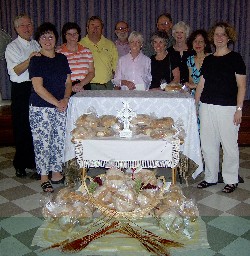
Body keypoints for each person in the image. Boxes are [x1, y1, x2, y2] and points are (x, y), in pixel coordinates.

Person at [195, 22, 246, 193]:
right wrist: (196, 104)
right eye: (216, 34)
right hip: (207, 106)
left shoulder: (236, 58)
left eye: (222, 34)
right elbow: (201, 83)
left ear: (228, 37)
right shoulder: (208, 59)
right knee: (208, 145)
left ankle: (231, 179)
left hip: (228, 108)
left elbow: (242, 86)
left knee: (229, 145)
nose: (219, 37)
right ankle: (210, 177)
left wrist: (239, 110)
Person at [28, 22, 72, 192]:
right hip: (41, 108)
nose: (47, 40)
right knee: (43, 143)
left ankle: (56, 173)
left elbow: (68, 82)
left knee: (58, 141)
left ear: (56, 39)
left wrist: (66, 99)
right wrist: (57, 103)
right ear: (39, 40)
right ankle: (44, 176)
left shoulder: (62, 58)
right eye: (44, 36)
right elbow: (38, 88)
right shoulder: (36, 60)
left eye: (51, 36)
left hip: (61, 106)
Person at [5, 14, 40, 178]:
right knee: (21, 127)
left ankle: (33, 162)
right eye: (23, 26)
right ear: (17, 29)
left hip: (36, 87)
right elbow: (16, 70)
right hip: (20, 89)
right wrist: (30, 58)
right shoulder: (12, 47)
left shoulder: (36, 43)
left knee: (34, 127)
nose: (27, 28)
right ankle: (20, 164)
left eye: (29, 25)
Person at [79, 16, 118, 90]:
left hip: (107, 87)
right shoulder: (80, 45)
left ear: (102, 29)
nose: (95, 29)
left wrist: (117, 85)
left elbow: (116, 69)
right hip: (87, 87)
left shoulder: (110, 45)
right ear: (87, 28)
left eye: (98, 26)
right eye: (92, 26)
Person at [57, 22, 95, 94]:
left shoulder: (87, 51)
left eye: (75, 34)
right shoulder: (59, 53)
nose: (72, 36)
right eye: (69, 34)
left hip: (84, 87)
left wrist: (81, 84)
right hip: (66, 89)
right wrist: (70, 87)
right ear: (65, 35)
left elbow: (91, 72)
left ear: (78, 35)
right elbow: (58, 75)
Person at [185, 29, 211, 96]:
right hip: (195, 95)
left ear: (205, 44)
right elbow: (191, 79)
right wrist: (189, 84)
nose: (198, 44)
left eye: (201, 41)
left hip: (209, 94)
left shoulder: (212, 58)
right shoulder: (190, 60)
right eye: (195, 41)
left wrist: (195, 86)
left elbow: (212, 82)